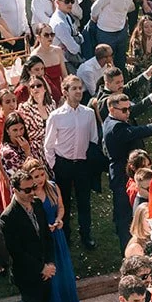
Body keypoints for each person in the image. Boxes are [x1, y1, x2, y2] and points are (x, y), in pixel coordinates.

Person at [0, 165, 60, 302]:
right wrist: (41, 268)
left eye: (33, 188)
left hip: (45, 269)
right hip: (28, 274)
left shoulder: (37, 204)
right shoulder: (8, 217)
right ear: (14, 189)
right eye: (26, 189)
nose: (32, 192)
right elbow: (17, 252)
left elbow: (46, 236)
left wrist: (50, 263)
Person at [103, 89, 152, 252]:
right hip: (122, 177)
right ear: (112, 109)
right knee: (126, 217)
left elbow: (137, 109)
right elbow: (142, 131)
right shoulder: (115, 128)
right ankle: (131, 251)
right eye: (124, 110)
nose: (128, 113)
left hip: (127, 173)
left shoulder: (116, 118)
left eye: (128, 109)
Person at [43, 77, 98, 249]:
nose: (79, 91)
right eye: (74, 88)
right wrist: (54, 166)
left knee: (84, 201)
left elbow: (93, 138)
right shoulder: (56, 116)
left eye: (80, 88)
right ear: (65, 92)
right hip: (63, 164)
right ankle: (65, 236)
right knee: (63, 202)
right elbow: (48, 145)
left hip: (82, 164)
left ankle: (86, 235)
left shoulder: (88, 113)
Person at [27, 160, 81, 302]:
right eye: (36, 176)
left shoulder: (52, 187)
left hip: (56, 235)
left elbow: (61, 208)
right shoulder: (29, 194)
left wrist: (59, 220)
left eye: (42, 174)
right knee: (50, 276)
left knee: (62, 271)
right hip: (42, 240)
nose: (40, 179)